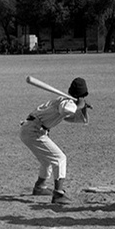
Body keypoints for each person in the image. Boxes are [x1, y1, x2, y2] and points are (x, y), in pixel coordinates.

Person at [19, 77, 91, 205]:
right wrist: (79, 105)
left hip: (31, 129)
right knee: (60, 158)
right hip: (34, 130)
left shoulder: (63, 100)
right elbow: (67, 110)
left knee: (47, 160)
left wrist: (82, 108)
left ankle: (40, 187)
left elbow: (71, 118)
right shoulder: (66, 102)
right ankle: (58, 193)